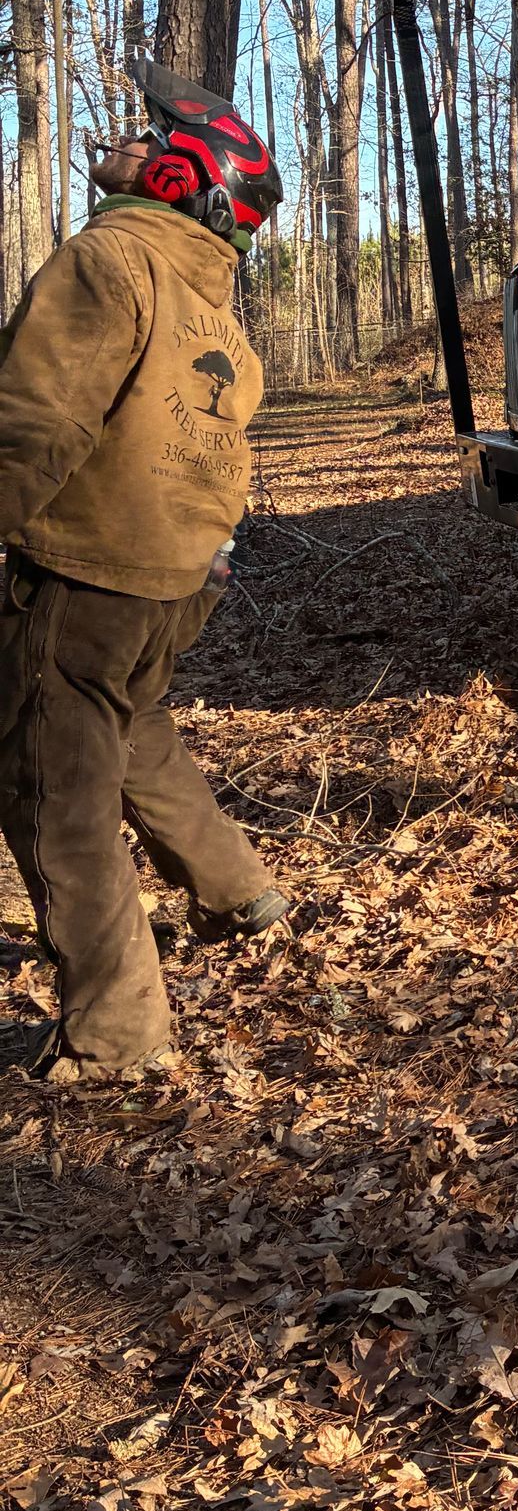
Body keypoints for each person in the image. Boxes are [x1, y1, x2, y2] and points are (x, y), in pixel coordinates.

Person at [0, 57, 288, 1085]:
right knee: (135, 733)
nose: (120, 141)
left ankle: (117, 1035)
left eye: (143, 135)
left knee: (52, 789)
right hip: (180, 579)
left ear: (183, 173)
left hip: (86, 571)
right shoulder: (212, 302)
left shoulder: (108, 261)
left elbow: (35, 422)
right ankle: (237, 890)